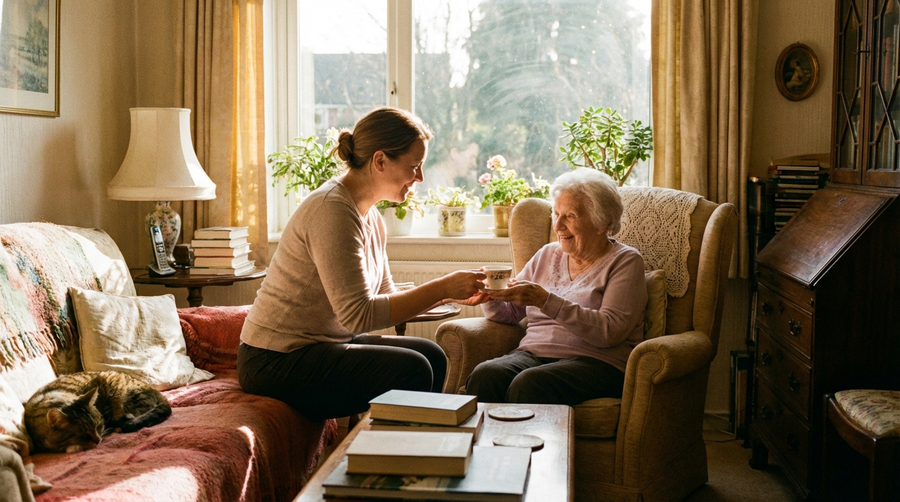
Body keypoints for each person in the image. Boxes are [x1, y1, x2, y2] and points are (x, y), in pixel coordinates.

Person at [237, 107, 487, 421]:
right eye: (414, 166)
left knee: (431, 355)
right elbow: (359, 315)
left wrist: (453, 294)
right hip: (273, 360)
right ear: (380, 161)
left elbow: (385, 295)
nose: (419, 178)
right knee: (413, 369)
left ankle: (420, 451)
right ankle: (392, 462)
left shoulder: (370, 216)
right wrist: (441, 286)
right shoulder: (332, 211)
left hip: (321, 346)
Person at [465, 168, 647, 405]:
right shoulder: (547, 254)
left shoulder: (625, 262)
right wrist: (490, 296)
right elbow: (511, 314)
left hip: (597, 363)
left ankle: (529, 443)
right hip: (533, 355)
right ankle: (484, 443)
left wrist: (544, 300)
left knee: (530, 384)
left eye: (569, 216)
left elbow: (609, 331)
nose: (558, 226)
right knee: (486, 375)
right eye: (556, 214)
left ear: (601, 222)